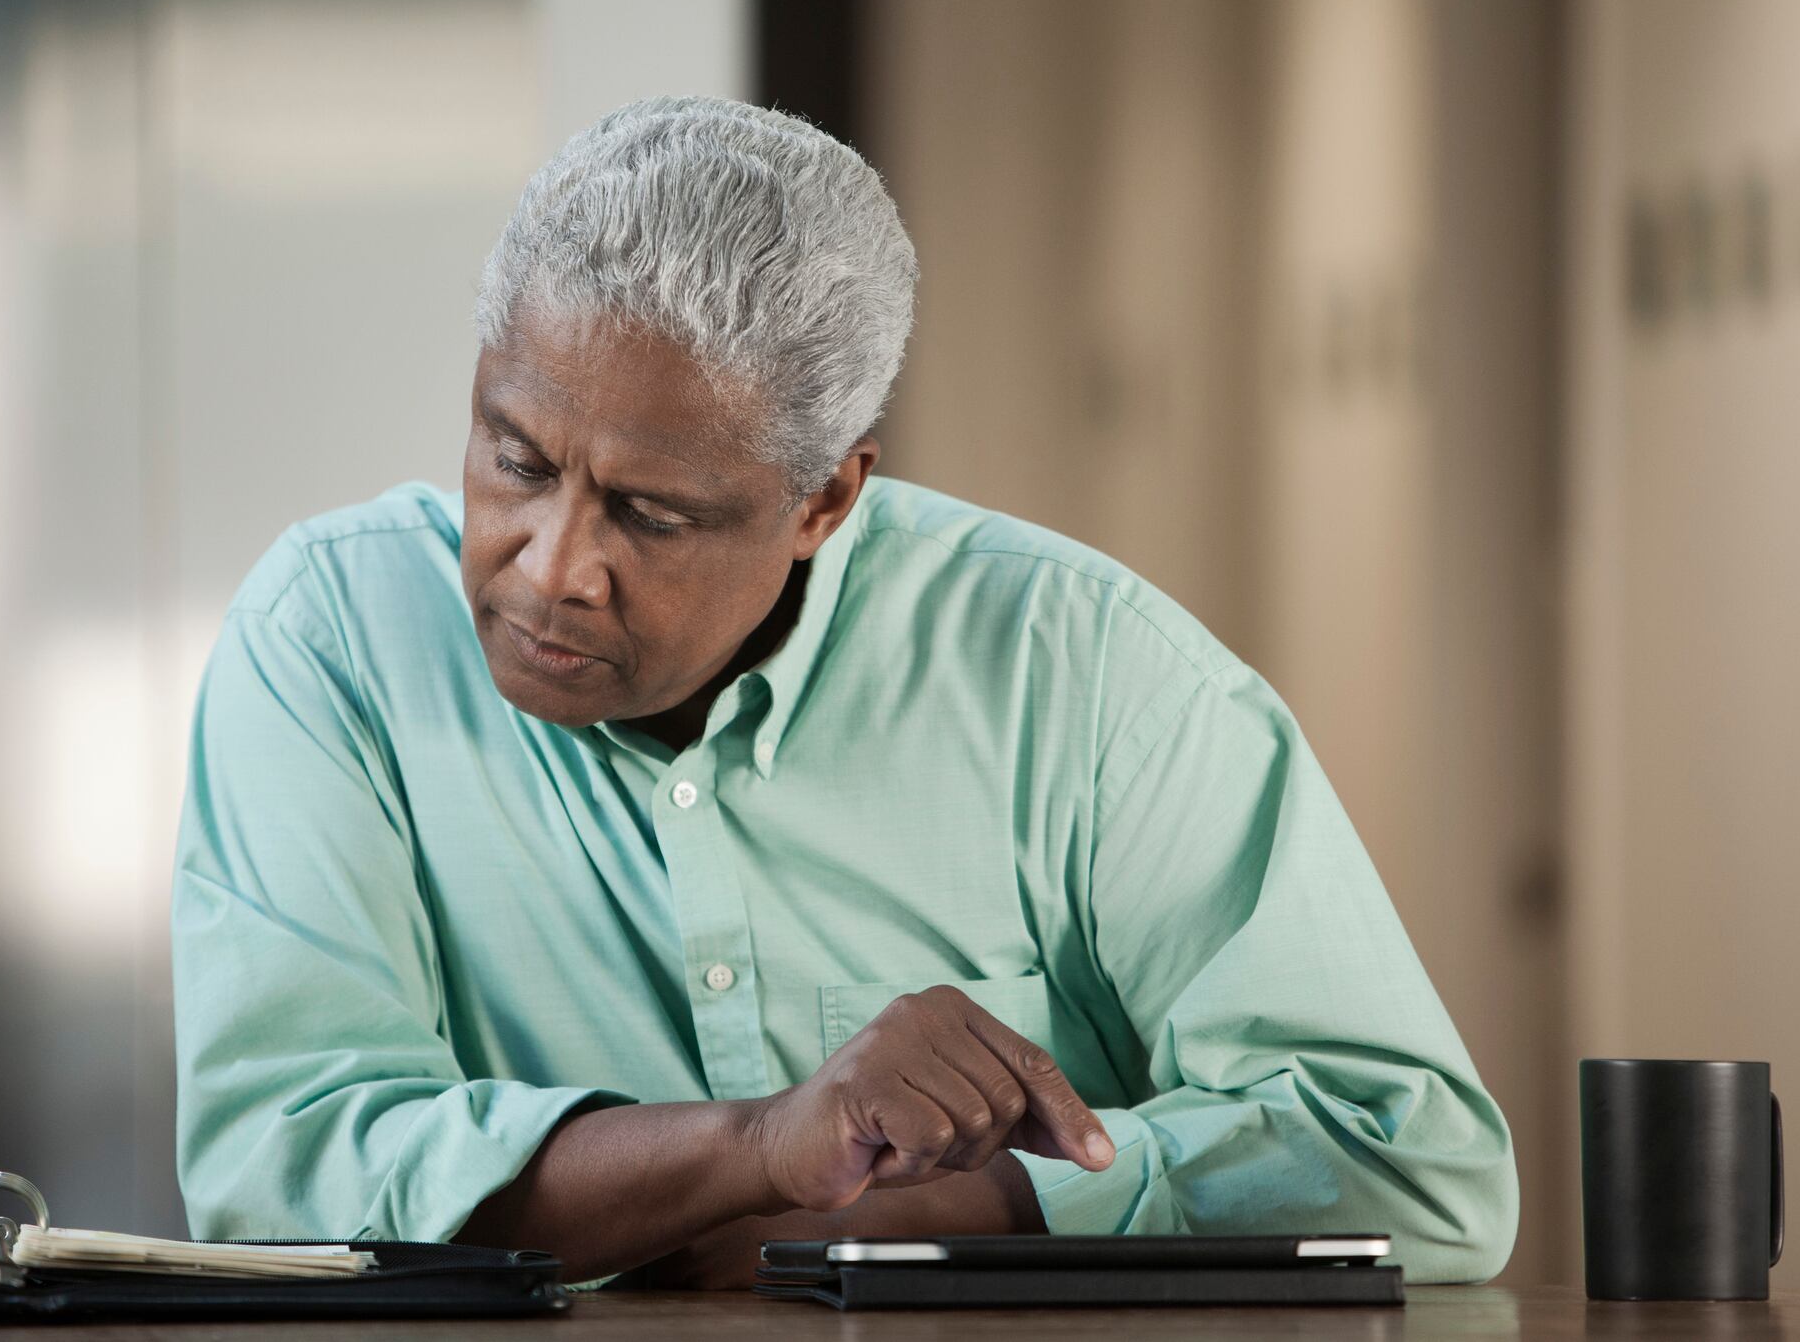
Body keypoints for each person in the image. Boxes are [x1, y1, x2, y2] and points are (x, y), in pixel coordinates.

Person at [170, 96, 1517, 1288]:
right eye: (516, 459)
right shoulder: (332, 638)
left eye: (647, 512)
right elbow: (276, 1171)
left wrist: (957, 1203)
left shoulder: (1091, 673)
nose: (556, 565)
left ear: (824, 497)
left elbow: (1415, 1157)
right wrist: (761, 1149)